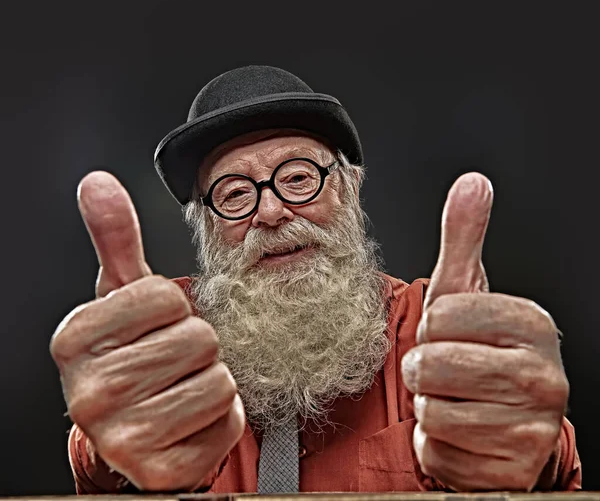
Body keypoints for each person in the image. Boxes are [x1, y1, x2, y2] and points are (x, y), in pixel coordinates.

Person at [50, 65, 582, 494]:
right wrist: (114, 439)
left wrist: (517, 440)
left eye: (299, 177)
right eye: (234, 194)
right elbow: (103, 460)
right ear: (207, 226)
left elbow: (541, 458)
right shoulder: (163, 340)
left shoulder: (434, 329)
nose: (272, 210)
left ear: (348, 189)